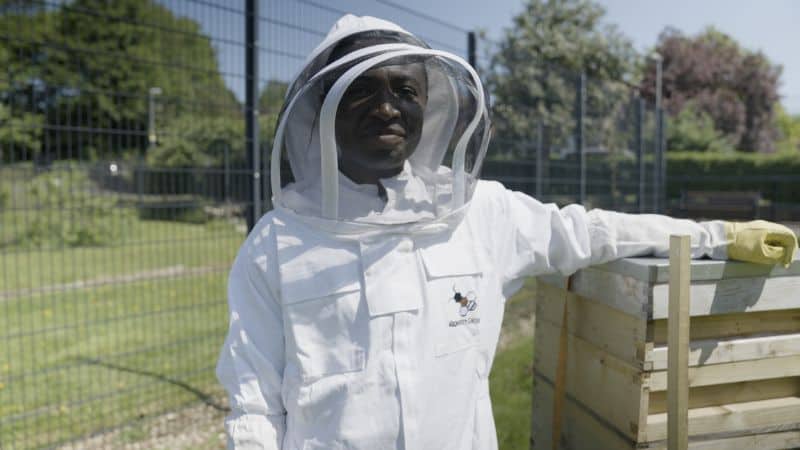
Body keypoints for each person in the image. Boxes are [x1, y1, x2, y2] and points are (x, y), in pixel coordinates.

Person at [215, 14, 797, 450]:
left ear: (431, 109)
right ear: (323, 110)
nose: (387, 108)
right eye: (362, 89)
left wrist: (720, 235)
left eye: (405, 91)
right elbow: (254, 402)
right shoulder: (277, 246)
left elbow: (594, 231)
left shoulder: (481, 213)